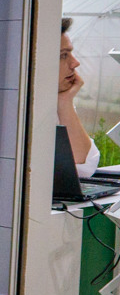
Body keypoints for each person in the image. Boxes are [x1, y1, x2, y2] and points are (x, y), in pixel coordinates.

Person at [59, 17, 100, 178]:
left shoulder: (56, 100)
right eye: (63, 55)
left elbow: (84, 167)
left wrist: (65, 102)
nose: (75, 63)